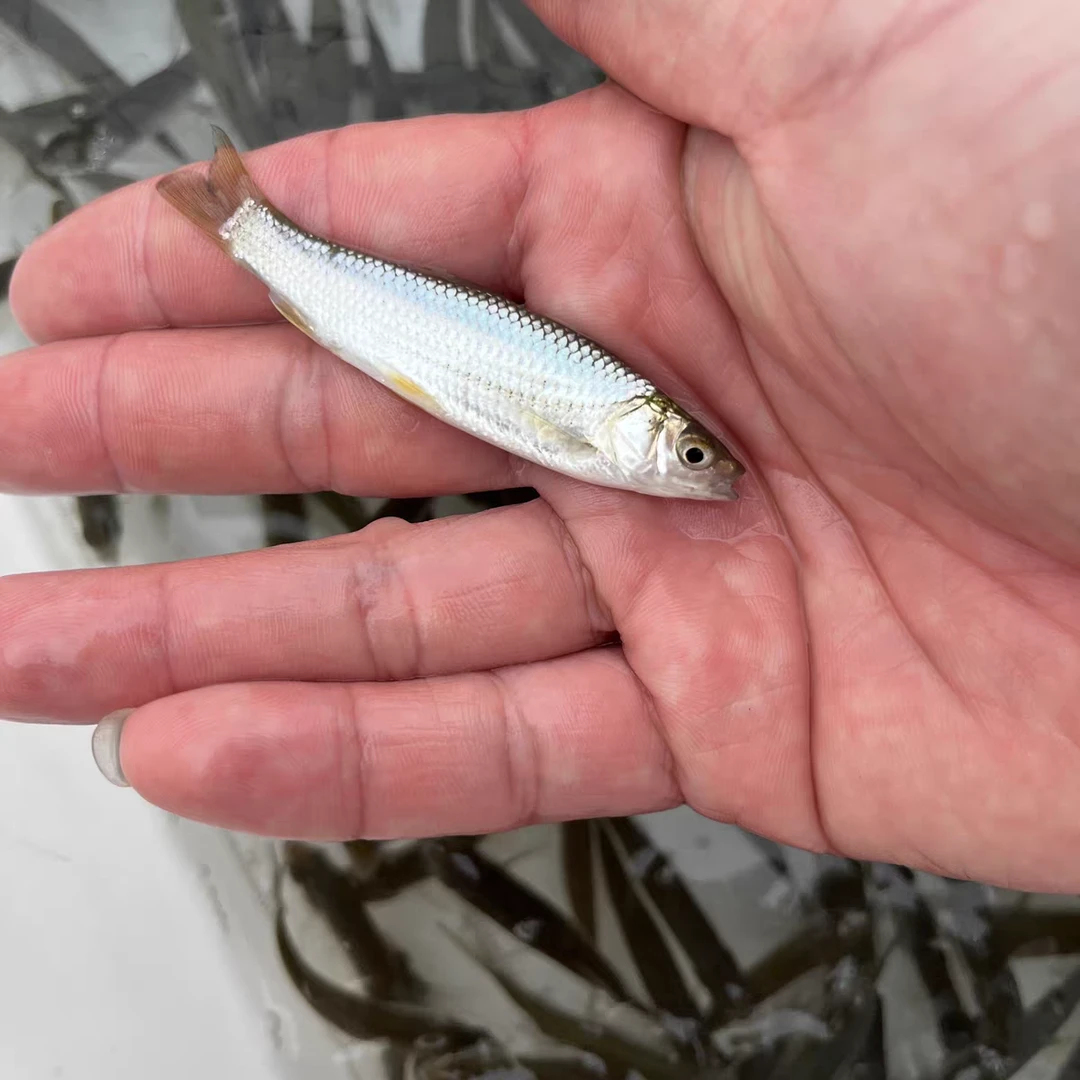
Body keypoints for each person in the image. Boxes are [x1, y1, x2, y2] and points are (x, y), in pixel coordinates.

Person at [2, 0, 1078, 893]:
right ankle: (249, 228)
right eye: (695, 459)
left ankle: (248, 229)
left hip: (401, 331)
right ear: (648, 439)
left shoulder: (617, 423)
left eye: (697, 461)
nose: (707, 474)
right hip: (380, 315)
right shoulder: (604, 425)